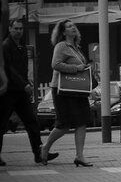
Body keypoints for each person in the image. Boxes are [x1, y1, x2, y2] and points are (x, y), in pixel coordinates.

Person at [0, 19, 59, 166]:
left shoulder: (22, 46)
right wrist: (24, 84)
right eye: (15, 28)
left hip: (21, 92)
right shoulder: (5, 46)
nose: (18, 31)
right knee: (0, 124)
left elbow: (22, 69)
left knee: (32, 122)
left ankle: (39, 154)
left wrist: (26, 84)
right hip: (8, 91)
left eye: (21, 29)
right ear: (9, 29)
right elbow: (9, 69)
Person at [40, 19, 93, 166]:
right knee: (64, 125)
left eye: (74, 26)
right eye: (69, 27)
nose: (73, 28)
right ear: (63, 32)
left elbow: (81, 68)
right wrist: (77, 68)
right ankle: (45, 147)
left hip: (76, 90)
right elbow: (55, 64)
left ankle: (80, 156)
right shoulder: (61, 46)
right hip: (62, 90)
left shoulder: (76, 47)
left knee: (82, 122)